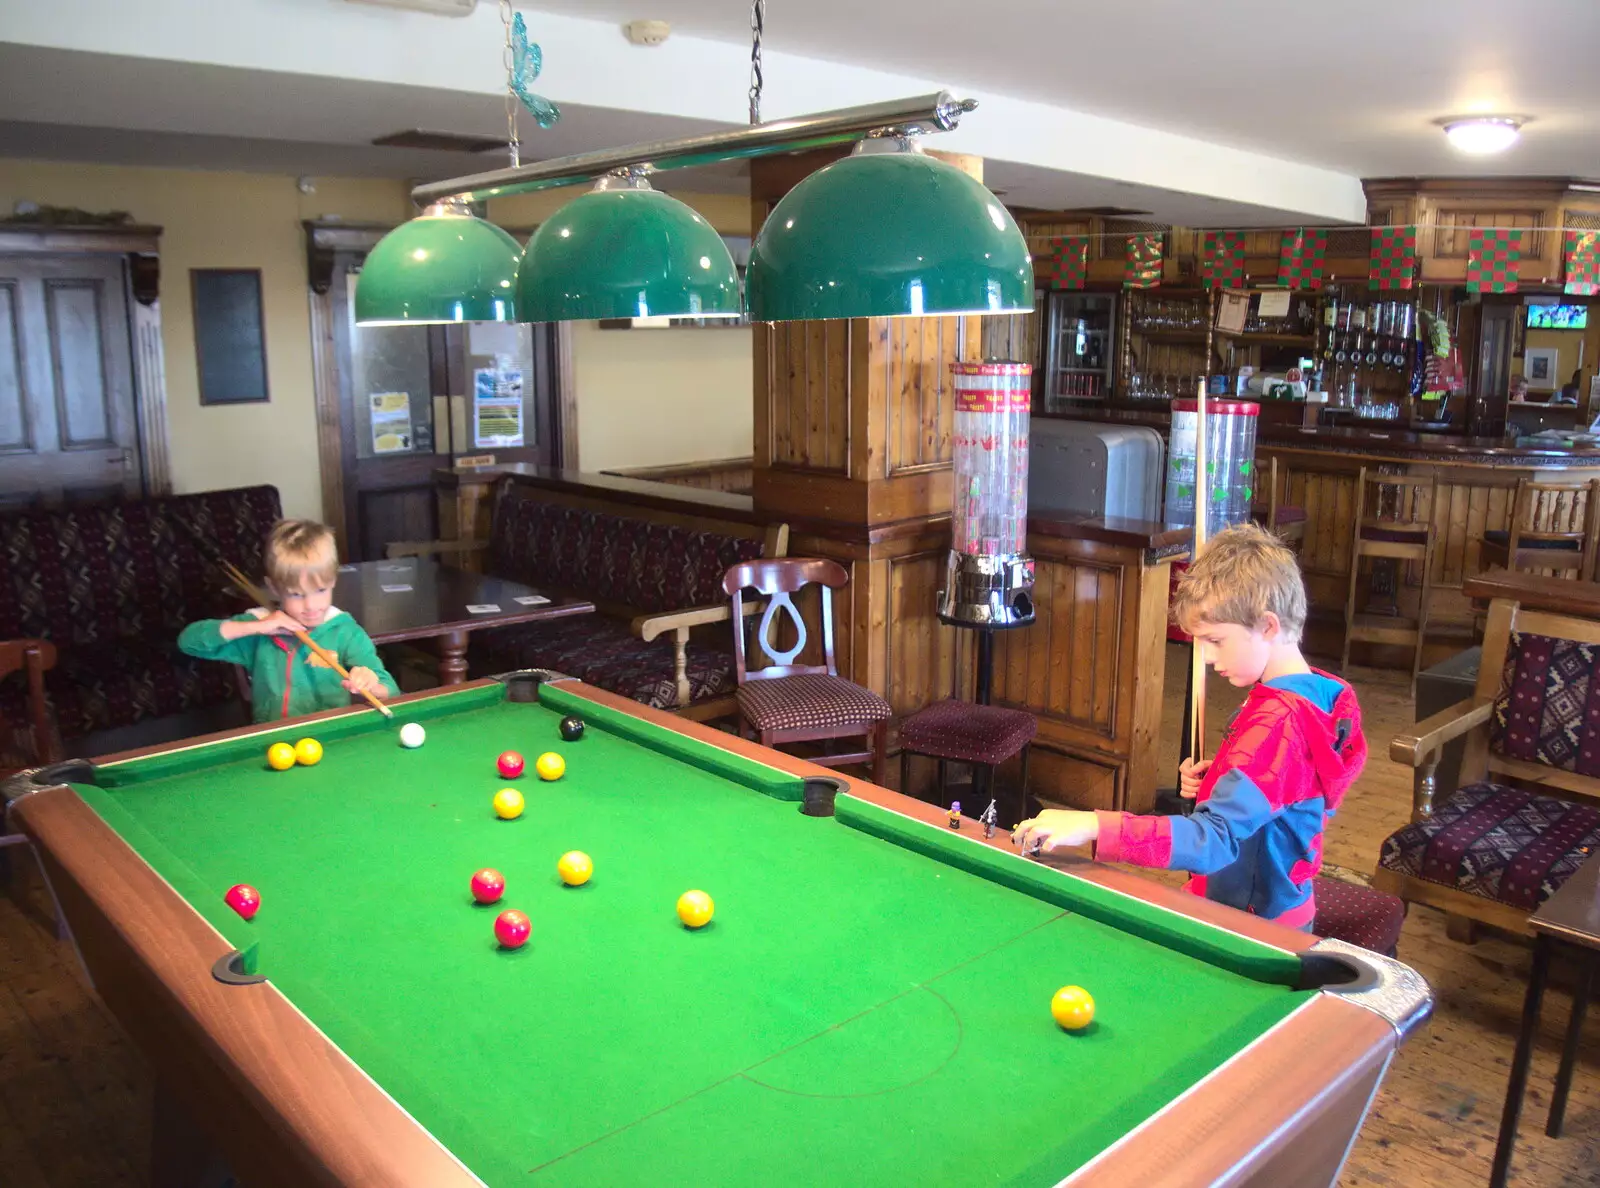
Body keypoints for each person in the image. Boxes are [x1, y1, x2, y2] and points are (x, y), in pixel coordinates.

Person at [1012, 523, 1366, 930]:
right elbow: (1291, 784)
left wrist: (1093, 824)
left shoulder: (1279, 721)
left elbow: (1213, 839)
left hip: (1253, 922)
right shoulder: (1318, 693)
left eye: (1216, 640)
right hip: (1281, 902)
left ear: (1268, 626)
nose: (1208, 658)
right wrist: (1224, 777)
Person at [180, 519, 397, 722]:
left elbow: (390, 690)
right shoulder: (260, 628)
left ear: (333, 581)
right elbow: (188, 642)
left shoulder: (345, 630)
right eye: (296, 594)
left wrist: (371, 684)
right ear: (273, 587)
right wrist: (256, 627)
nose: (311, 605)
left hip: (333, 740)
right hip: (274, 740)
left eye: (320, 590)